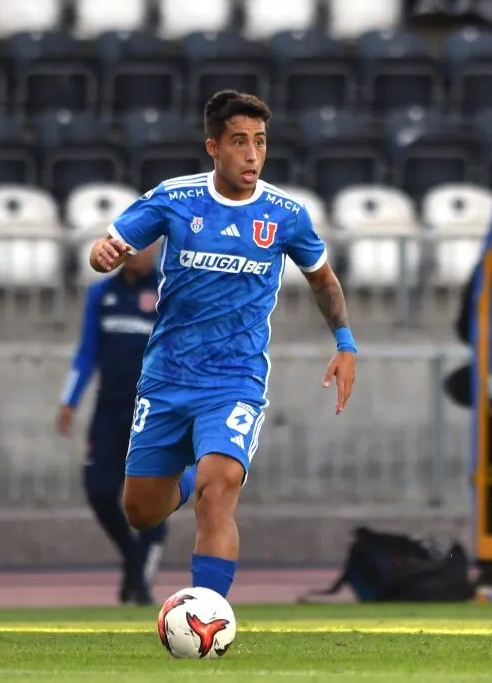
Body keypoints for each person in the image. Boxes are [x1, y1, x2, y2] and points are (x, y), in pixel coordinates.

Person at [86, 90, 357, 601]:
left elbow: (323, 280)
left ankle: (207, 616)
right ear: (214, 147)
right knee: (141, 512)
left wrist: (345, 342)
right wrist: (104, 256)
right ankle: (187, 479)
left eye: (260, 142)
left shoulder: (285, 215)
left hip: (235, 379)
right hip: (168, 375)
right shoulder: (176, 198)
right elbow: (113, 247)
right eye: (239, 142)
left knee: (220, 492)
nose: (253, 154)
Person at [57, 243, 165, 605]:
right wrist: (70, 400)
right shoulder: (102, 293)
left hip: (154, 413)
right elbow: (87, 351)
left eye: (148, 243)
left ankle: (140, 583)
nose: (140, 250)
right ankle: (134, 559)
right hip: (109, 409)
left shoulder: (168, 290)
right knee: (100, 490)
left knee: (152, 496)